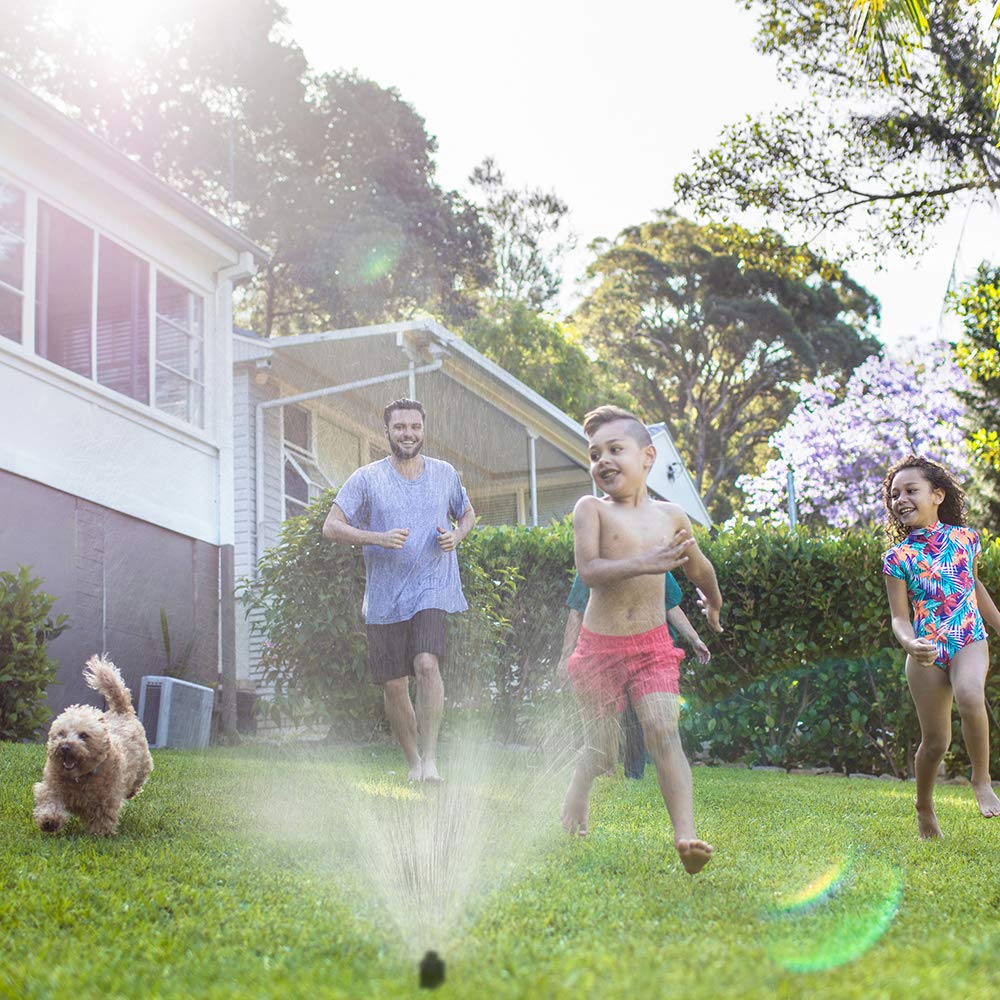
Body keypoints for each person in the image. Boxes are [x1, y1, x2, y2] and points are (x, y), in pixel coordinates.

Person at [561, 405, 723, 874]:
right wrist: (647, 563)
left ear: (648, 457)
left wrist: (712, 602)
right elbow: (590, 571)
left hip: (651, 646)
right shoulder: (590, 510)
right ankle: (578, 788)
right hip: (599, 649)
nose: (603, 461)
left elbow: (699, 568)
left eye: (615, 449)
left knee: (662, 728)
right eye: (595, 454)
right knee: (602, 752)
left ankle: (686, 836)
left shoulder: (672, 516)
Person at [322, 398, 475, 782]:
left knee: (427, 664)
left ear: (424, 430)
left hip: (432, 587)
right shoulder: (367, 478)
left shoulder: (445, 474)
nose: (408, 433)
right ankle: (414, 765)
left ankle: (432, 759)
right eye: (400, 427)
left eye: (415, 427)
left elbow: (468, 513)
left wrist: (456, 535)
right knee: (393, 685)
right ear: (387, 431)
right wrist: (377, 537)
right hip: (385, 598)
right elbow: (331, 526)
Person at [881, 455, 1000, 837]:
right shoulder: (897, 557)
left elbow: (974, 588)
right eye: (894, 494)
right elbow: (899, 617)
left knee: (970, 695)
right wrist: (910, 643)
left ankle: (981, 779)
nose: (901, 499)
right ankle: (924, 806)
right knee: (935, 743)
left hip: (968, 639)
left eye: (911, 490)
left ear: (937, 494)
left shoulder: (965, 539)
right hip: (926, 651)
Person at [556, 571, 711, 780]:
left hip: (647, 654)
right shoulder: (593, 565)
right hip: (606, 653)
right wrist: (566, 656)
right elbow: (576, 612)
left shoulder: (653, 563)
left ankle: (634, 774)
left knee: (640, 716)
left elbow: (671, 606)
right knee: (605, 713)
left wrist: (695, 639)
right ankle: (603, 767)